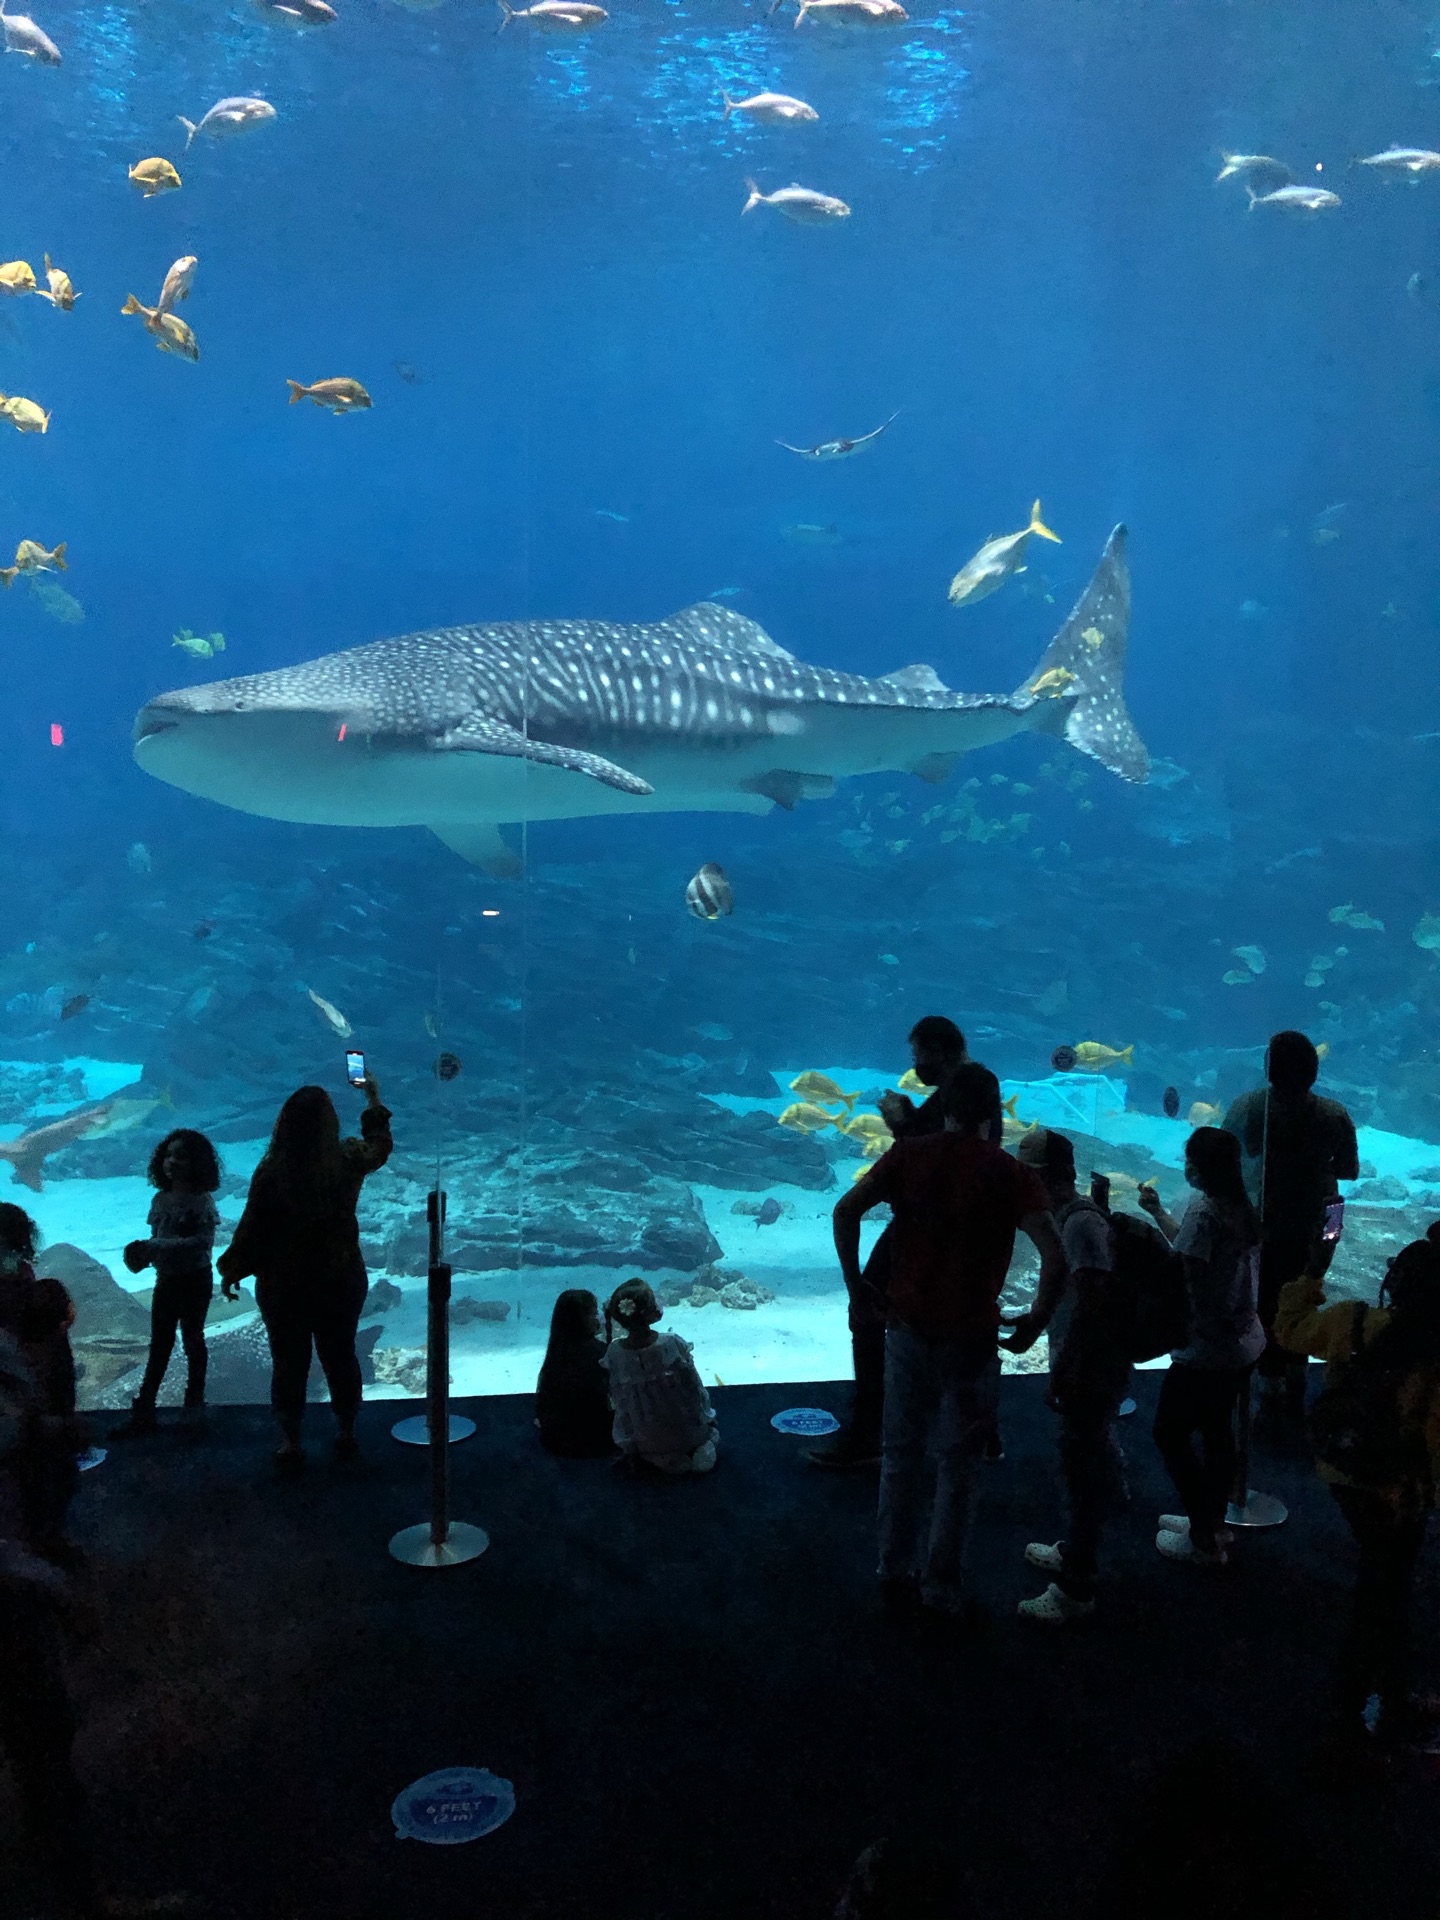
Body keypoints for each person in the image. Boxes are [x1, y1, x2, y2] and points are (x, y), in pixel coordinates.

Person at [833, 1062, 1063, 1625]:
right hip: (973, 1337)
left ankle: (893, 1571)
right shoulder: (1009, 1171)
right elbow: (1055, 1254)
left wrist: (857, 1286)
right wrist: (1037, 1319)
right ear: (991, 1112)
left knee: (899, 1455)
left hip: (907, 1329)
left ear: (947, 1108)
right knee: (958, 1466)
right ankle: (942, 1586)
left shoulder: (910, 1156)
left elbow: (846, 1210)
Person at [1275, 1226, 1440, 1759]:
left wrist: (1312, 1273)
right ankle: (1351, 1717)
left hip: (1346, 1474)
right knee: (1382, 1598)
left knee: (1383, 1592)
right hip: (1405, 1492)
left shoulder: (1355, 1321)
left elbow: (1289, 1330)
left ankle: (1385, 1698)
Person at [805, 1014, 971, 1470]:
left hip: (920, 1226)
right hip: (962, 1231)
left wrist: (901, 1124)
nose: (914, 1062)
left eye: (917, 1052)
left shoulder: (958, 1092)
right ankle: (978, 1430)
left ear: (938, 1050)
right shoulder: (972, 1090)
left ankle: (867, 1433)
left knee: (868, 1315)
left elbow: (936, 1157)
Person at [217, 1074, 392, 1468]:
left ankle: (290, 1440)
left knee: (289, 1362)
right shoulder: (347, 1159)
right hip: (339, 1277)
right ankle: (346, 1431)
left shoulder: (272, 1170)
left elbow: (252, 1228)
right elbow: (380, 1147)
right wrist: (373, 1100)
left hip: (285, 1284)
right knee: (341, 1355)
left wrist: (232, 1269)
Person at [1006, 1128, 1132, 1625]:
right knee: (1087, 1450)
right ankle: (1078, 1545)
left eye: (1026, 1175)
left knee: (1079, 1466)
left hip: (1091, 1363)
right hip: (1090, 1360)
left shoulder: (1077, 1225)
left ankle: (1076, 1587)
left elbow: (1094, 1302)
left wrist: (1066, 1366)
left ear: (1045, 1176)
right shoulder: (1073, 1216)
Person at [0, 1324, 99, 1917]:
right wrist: (53, 1583)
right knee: (40, 1740)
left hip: (19, 1570)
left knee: (42, 1740)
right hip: (12, 1594)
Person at [1137, 1127, 1264, 1568]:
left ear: (1202, 1166)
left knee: (1168, 1433)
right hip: (1242, 1342)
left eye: (1190, 1158)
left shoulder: (1204, 1209)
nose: (1185, 1165)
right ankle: (1211, 1519)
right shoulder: (1240, 1208)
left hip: (1207, 1349)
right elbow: (1196, 1250)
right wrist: (1157, 1214)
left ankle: (1204, 1536)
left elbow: (1183, 1269)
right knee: (1216, 1432)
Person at [1224, 1030, 1357, 1421]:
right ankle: (1296, 1380)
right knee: (1305, 1295)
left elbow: (1234, 1152)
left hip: (1265, 1226)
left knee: (1264, 1303)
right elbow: (1348, 1173)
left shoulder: (1251, 1106)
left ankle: (1268, 1385)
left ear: (1268, 1068)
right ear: (1313, 1071)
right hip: (1320, 1226)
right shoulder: (1334, 1114)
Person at [112, 1128, 223, 1439]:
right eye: (170, 1155)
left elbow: (203, 1242)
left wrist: (156, 1248)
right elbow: (160, 1238)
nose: (173, 1162)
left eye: (182, 1157)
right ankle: (145, 1408)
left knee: (193, 1340)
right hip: (166, 1279)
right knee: (159, 1344)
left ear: (198, 1163)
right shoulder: (160, 1198)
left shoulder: (202, 1202)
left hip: (195, 1280)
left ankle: (194, 1406)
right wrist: (143, 1255)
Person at [600, 1278, 718, 1475]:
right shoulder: (671, 1344)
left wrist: (628, 1441)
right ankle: (694, 1453)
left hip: (648, 1440)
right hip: (688, 1432)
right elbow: (693, 1389)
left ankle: (663, 1460)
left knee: (660, 1457)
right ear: (652, 1311)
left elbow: (621, 1402)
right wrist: (707, 1417)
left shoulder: (614, 1352)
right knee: (711, 1437)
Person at [536, 1288, 614, 1457]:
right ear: (582, 1320)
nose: (599, 1318)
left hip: (556, 1439)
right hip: (593, 1439)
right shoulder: (598, 1352)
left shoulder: (557, 1352)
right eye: (594, 1314)